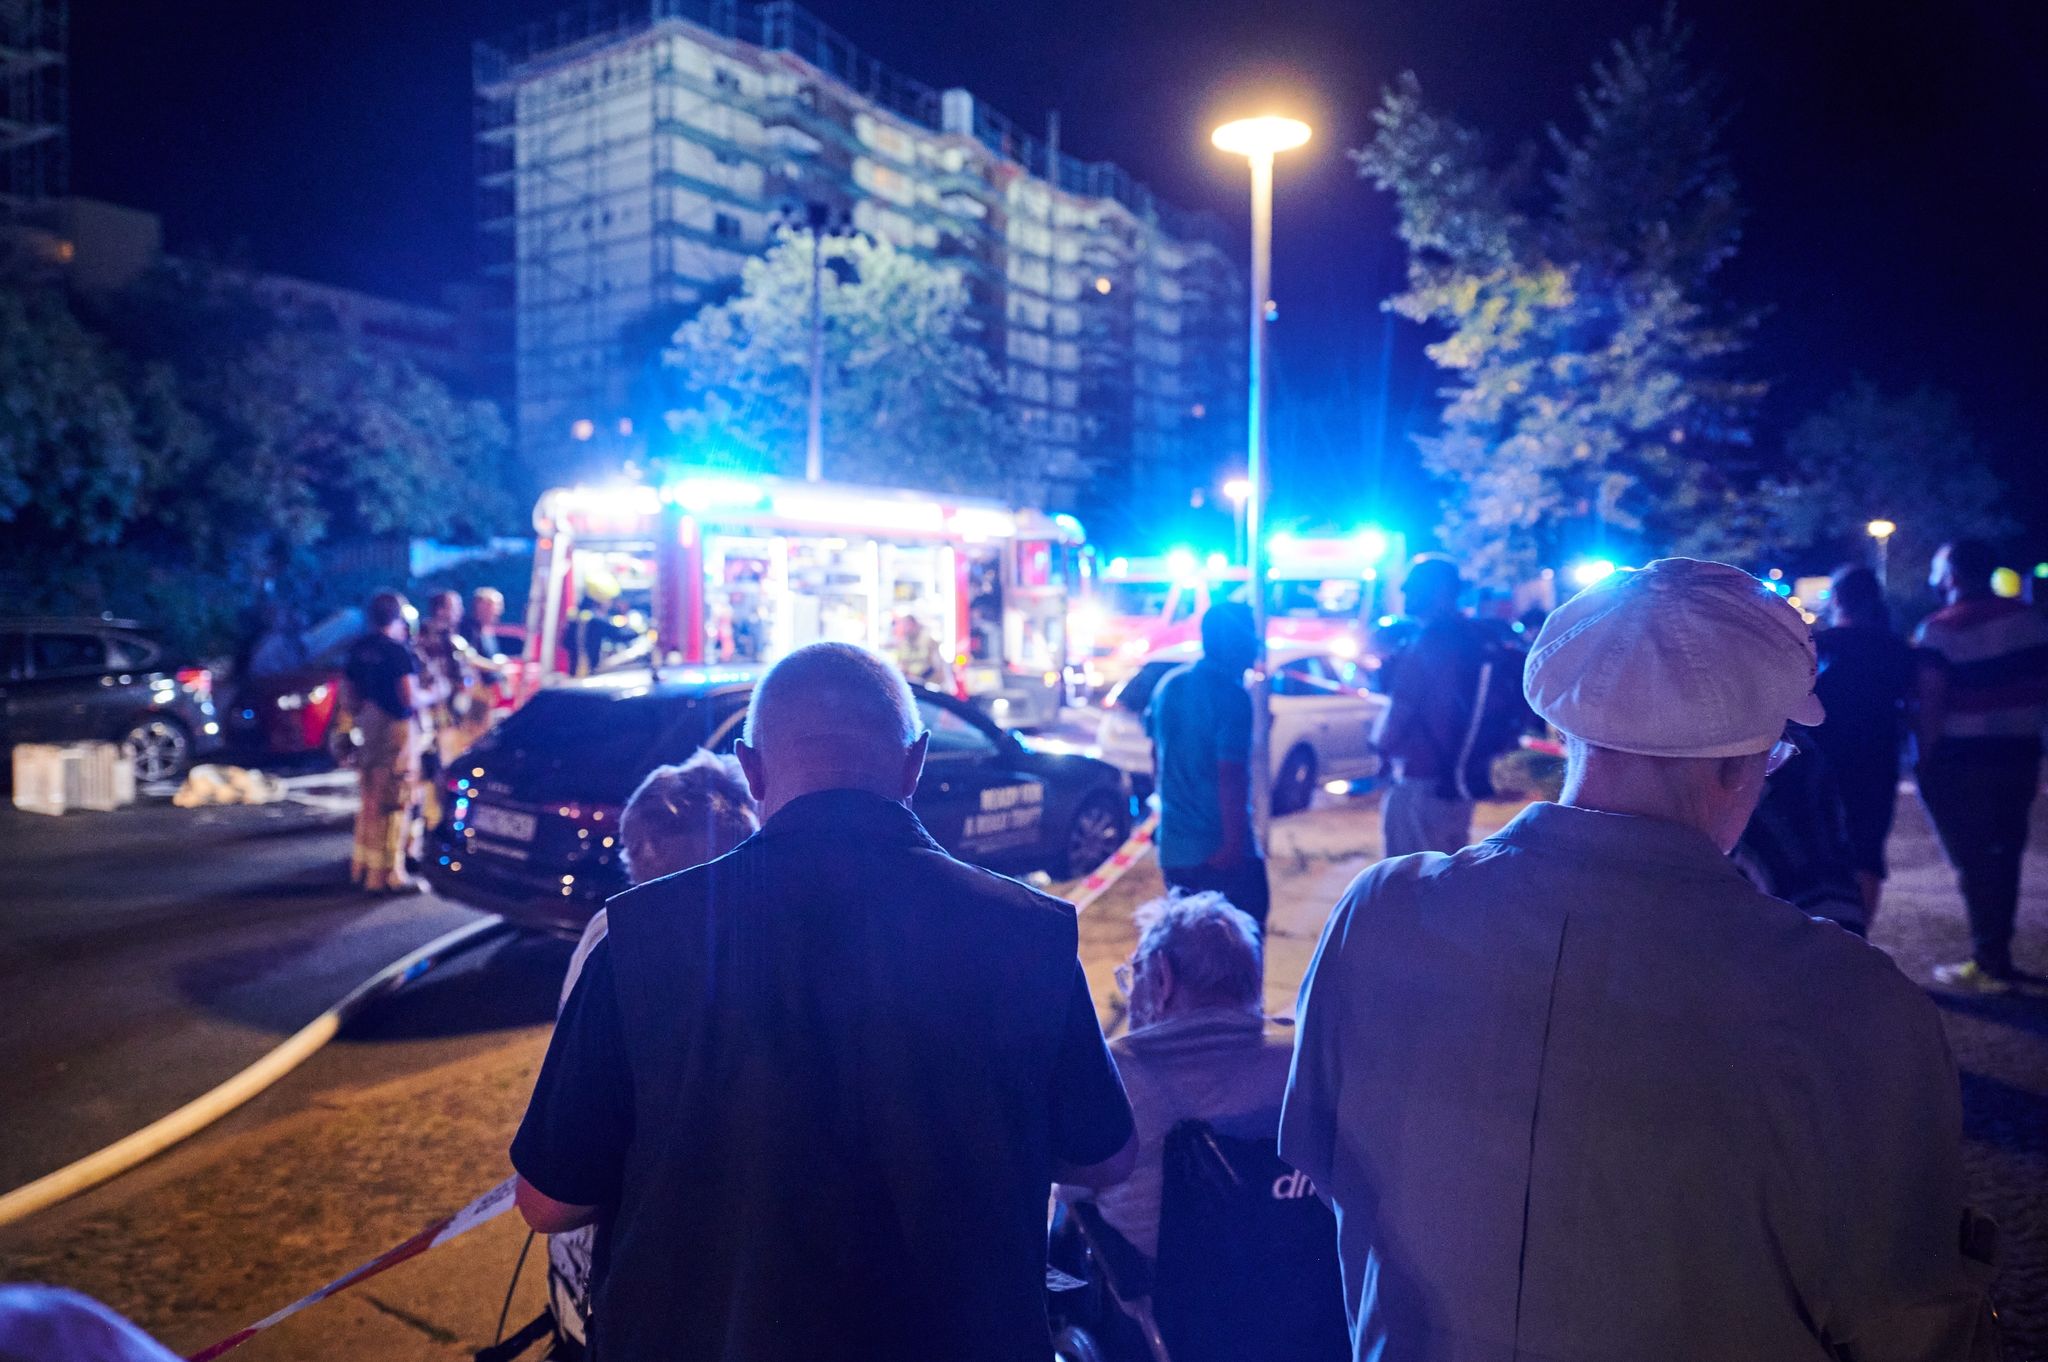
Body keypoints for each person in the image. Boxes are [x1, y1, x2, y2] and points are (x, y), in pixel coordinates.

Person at [1283, 558, 2001, 1362]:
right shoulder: (1852, 1001)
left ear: (1568, 731)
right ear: (1740, 764)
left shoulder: (1379, 916)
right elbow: (1910, 1325)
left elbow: (1319, 1161)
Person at [509, 642, 1137, 1361]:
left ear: (750, 770)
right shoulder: (1030, 935)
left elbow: (547, 1201)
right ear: (916, 762)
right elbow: (1105, 1157)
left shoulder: (639, 938)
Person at [545, 750, 761, 1359]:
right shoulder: (785, 935)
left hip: (622, 1280)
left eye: (638, 852)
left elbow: (551, 1195)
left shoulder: (615, 941)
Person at [1060, 891, 1292, 1263]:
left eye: (1132, 976)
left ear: (1162, 977)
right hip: (1298, 1299)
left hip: (1158, 1313)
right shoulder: (1301, 1059)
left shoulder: (1115, 1073)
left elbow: (1070, 1189)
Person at [1913, 538, 2048, 993]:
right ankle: (1997, 955)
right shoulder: (2029, 620)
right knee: (2005, 853)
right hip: (2019, 753)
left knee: (1973, 859)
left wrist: (1926, 757)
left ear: (1950, 575)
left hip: (1963, 760)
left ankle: (1988, 963)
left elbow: (1932, 701)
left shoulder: (1941, 629)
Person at [1146, 602, 1268, 930]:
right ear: (1235, 640)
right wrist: (1231, 846)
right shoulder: (1231, 697)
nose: (1257, 643)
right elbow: (1230, 774)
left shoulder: (1168, 686)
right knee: (1239, 959)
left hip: (1175, 852)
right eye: (1251, 634)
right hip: (1220, 854)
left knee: (1190, 959)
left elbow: (1157, 757)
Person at [1373, 554, 1504, 856]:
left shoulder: (1429, 643)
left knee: (1409, 886)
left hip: (1418, 782)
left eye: (1413, 584)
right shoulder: (1469, 639)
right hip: (1455, 783)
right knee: (1444, 880)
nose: (1404, 590)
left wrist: (1381, 749)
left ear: (1440, 591)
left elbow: (1402, 708)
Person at [1812, 564, 1916, 920]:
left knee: (1819, 844)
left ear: (1837, 599)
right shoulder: (1893, 647)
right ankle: (1859, 934)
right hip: (1877, 757)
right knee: (1868, 849)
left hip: (1822, 759)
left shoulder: (1821, 646)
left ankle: (1819, 927)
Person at [337, 591, 427, 894]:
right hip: (395, 731)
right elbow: (409, 697)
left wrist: (350, 727)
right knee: (395, 800)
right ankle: (389, 874)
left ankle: (361, 868)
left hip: (368, 724)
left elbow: (348, 693)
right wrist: (436, 692)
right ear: (398, 617)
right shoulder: (397, 652)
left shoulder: (359, 649)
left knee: (370, 799)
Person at [887, 612, 950, 687]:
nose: (906, 628)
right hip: (911, 684)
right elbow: (901, 663)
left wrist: (919, 678)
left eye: (908, 625)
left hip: (930, 686)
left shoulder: (929, 641)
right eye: (904, 625)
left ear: (915, 624)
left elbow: (935, 666)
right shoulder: (903, 643)